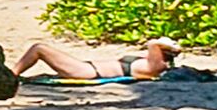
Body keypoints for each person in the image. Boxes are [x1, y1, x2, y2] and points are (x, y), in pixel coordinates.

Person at [12, 36, 184, 82]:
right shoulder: (150, 64)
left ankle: (11, 74)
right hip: (87, 68)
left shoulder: (153, 67)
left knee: (39, 48)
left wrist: (165, 45)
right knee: (40, 49)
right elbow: (154, 45)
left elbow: (152, 44)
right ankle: (12, 73)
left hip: (87, 72)